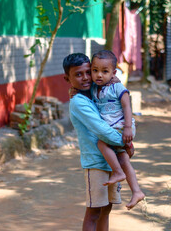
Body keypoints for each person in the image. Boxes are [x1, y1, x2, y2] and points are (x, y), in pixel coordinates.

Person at [63, 53, 126, 231]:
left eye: (87, 72)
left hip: (111, 162)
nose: (85, 78)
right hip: (96, 163)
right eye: (78, 74)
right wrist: (125, 141)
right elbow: (102, 130)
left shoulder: (95, 92)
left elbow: (119, 108)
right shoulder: (78, 102)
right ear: (67, 78)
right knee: (94, 212)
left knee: (106, 209)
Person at [90, 50, 145, 210]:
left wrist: (128, 127)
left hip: (122, 126)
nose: (99, 75)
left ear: (113, 73)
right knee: (123, 158)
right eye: (95, 70)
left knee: (101, 143)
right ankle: (136, 191)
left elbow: (127, 105)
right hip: (113, 129)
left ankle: (117, 172)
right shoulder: (95, 88)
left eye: (104, 71)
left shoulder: (117, 87)